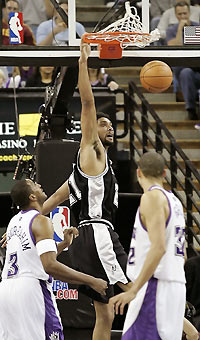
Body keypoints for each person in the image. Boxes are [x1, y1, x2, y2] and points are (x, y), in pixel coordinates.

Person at [42, 38, 132, 340]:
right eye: (103, 125)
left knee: (105, 313)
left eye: (110, 126)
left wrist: (24, 222)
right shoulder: (92, 152)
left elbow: (51, 201)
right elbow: (89, 103)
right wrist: (83, 63)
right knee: (136, 290)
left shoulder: (78, 176)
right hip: (98, 234)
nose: (108, 129)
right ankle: (188, 330)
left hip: (83, 242)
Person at [0, 179, 107, 340]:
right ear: (32, 197)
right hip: (31, 290)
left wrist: (63, 244)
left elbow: (35, 257)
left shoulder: (14, 222)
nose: (40, 185)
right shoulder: (42, 221)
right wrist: (91, 281)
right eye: (35, 185)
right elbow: (49, 265)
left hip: (7, 290)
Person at [110, 151, 186, 340]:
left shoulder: (152, 198)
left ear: (139, 173)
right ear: (165, 172)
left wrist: (134, 290)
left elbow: (159, 247)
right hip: (172, 285)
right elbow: (182, 256)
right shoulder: (175, 201)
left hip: (155, 286)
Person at [166, 1, 200, 120]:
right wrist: (181, 29)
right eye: (179, 14)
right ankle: (191, 109)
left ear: (189, 13)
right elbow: (176, 47)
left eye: (185, 13)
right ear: (176, 15)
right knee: (186, 72)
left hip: (198, 66)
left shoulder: (196, 27)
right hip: (183, 69)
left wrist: (189, 28)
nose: (183, 17)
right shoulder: (171, 30)